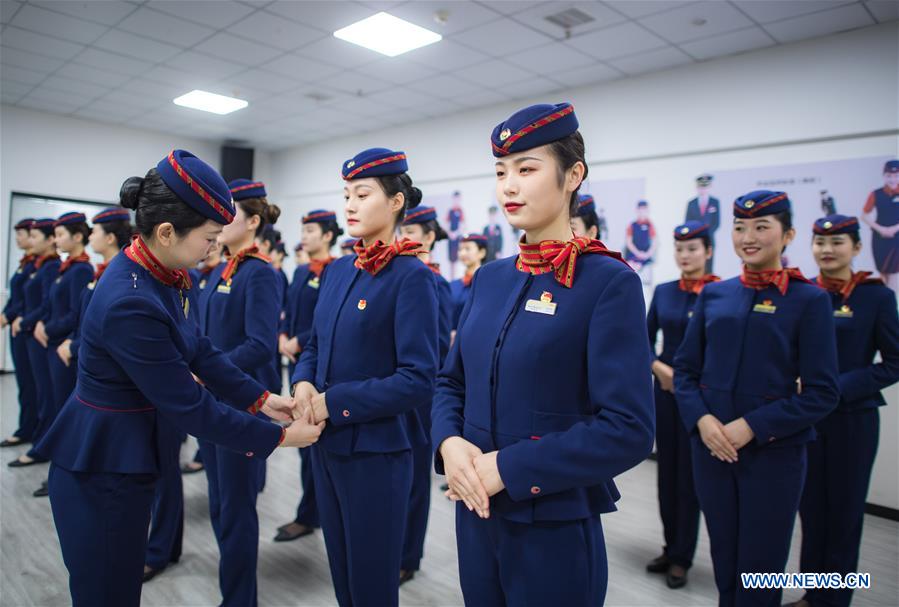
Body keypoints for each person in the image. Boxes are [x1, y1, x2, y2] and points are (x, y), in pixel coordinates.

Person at [31, 149, 323, 607]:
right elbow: (190, 405)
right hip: (102, 466)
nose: (213, 247)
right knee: (107, 592)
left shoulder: (161, 273)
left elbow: (199, 349)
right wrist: (282, 437)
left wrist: (262, 398)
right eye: (208, 237)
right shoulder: (131, 300)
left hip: (127, 456)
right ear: (167, 232)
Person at [432, 102, 655, 606]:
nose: (509, 185)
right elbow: (451, 382)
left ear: (573, 175)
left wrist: (507, 468)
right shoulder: (490, 278)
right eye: (500, 172)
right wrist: (448, 441)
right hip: (474, 515)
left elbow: (629, 429)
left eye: (527, 169)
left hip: (552, 524)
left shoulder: (608, 283)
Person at [674, 190, 840, 607]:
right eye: (740, 227)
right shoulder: (715, 295)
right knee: (725, 558)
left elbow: (822, 393)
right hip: (711, 449)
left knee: (760, 568)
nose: (748, 236)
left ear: (788, 235)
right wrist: (703, 422)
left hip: (774, 454)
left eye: (762, 227)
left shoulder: (810, 300)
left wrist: (752, 427)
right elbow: (686, 372)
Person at [291, 147, 439, 607]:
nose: (350, 205)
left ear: (396, 202)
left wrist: (335, 402)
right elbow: (314, 344)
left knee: (372, 585)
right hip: (327, 443)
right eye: (347, 195)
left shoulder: (412, 276)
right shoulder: (338, 271)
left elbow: (418, 378)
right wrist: (302, 382)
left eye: (362, 194)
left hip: (378, 452)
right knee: (343, 577)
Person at [794, 215, 899, 607]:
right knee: (811, 512)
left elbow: (893, 361)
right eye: (820, 241)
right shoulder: (801, 294)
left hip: (852, 420)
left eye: (837, 242)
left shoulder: (876, 297)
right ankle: (811, 594)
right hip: (805, 419)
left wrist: (835, 389)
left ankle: (834, 600)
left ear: (856, 247)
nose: (827, 249)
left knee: (845, 513)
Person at [645, 221, 718, 589]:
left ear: (708, 251)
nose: (684, 256)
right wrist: (659, 368)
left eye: (692, 249)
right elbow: (641, 341)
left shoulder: (721, 293)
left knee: (691, 480)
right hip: (666, 393)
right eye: (679, 249)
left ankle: (683, 557)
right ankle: (670, 546)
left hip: (703, 400)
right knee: (667, 477)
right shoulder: (665, 291)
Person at [275, 209, 343, 543]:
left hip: (320, 365)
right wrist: (283, 336)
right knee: (303, 443)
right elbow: (287, 308)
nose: (305, 235)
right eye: (303, 229)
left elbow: (324, 320)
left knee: (317, 443)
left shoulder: (338, 271)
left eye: (312, 229)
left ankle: (311, 513)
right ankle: (310, 511)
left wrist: (298, 340)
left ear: (329, 235)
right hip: (297, 363)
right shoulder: (301, 271)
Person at [398, 205, 453, 584]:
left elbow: (437, 349)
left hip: (419, 395)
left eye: (415, 230)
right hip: (390, 390)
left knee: (416, 479)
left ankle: (407, 556)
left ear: (431, 237)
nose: (407, 236)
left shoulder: (435, 283)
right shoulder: (396, 275)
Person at [8, 218, 60, 468]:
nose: (26, 240)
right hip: (27, 330)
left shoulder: (51, 266)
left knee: (43, 393)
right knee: (29, 387)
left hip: (37, 332)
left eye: (31, 235)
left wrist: (24, 319)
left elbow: (47, 303)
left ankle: (41, 440)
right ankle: (30, 430)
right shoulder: (34, 264)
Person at [1, 218, 38, 448]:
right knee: (25, 384)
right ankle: (26, 427)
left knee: (31, 384)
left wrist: (9, 315)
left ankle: (30, 430)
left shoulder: (39, 265)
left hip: (26, 329)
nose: (19, 239)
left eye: (23, 234)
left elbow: (27, 301)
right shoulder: (25, 263)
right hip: (17, 327)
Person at [861, 159, 899, 291]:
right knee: (882, 271)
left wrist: (894, 229)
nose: (892, 179)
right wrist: (881, 229)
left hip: (897, 238)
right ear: (884, 176)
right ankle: (886, 304)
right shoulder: (876, 194)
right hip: (879, 237)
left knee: (894, 273)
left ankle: (893, 306)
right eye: (889, 176)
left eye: (896, 175)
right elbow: (864, 215)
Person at [449, 234, 487, 331]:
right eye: (460, 249)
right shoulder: (453, 285)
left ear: (482, 252)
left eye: (467, 249)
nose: (462, 253)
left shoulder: (489, 285)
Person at [685, 174, 720, 273]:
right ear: (697, 188)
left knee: (709, 267)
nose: (703, 189)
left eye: (705, 187)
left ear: (709, 187)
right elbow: (687, 222)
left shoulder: (715, 202)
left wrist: (705, 235)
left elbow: (716, 223)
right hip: (694, 241)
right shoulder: (691, 203)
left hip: (709, 240)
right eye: (701, 187)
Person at [625, 200, 657, 282]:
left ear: (647, 211)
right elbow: (629, 242)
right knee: (629, 265)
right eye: (640, 209)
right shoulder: (632, 225)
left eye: (644, 210)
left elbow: (654, 243)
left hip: (645, 254)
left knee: (637, 266)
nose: (642, 212)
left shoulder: (650, 225)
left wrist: (647, 254)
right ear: (637, 210)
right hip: (634, 253)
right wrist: (638, 253)